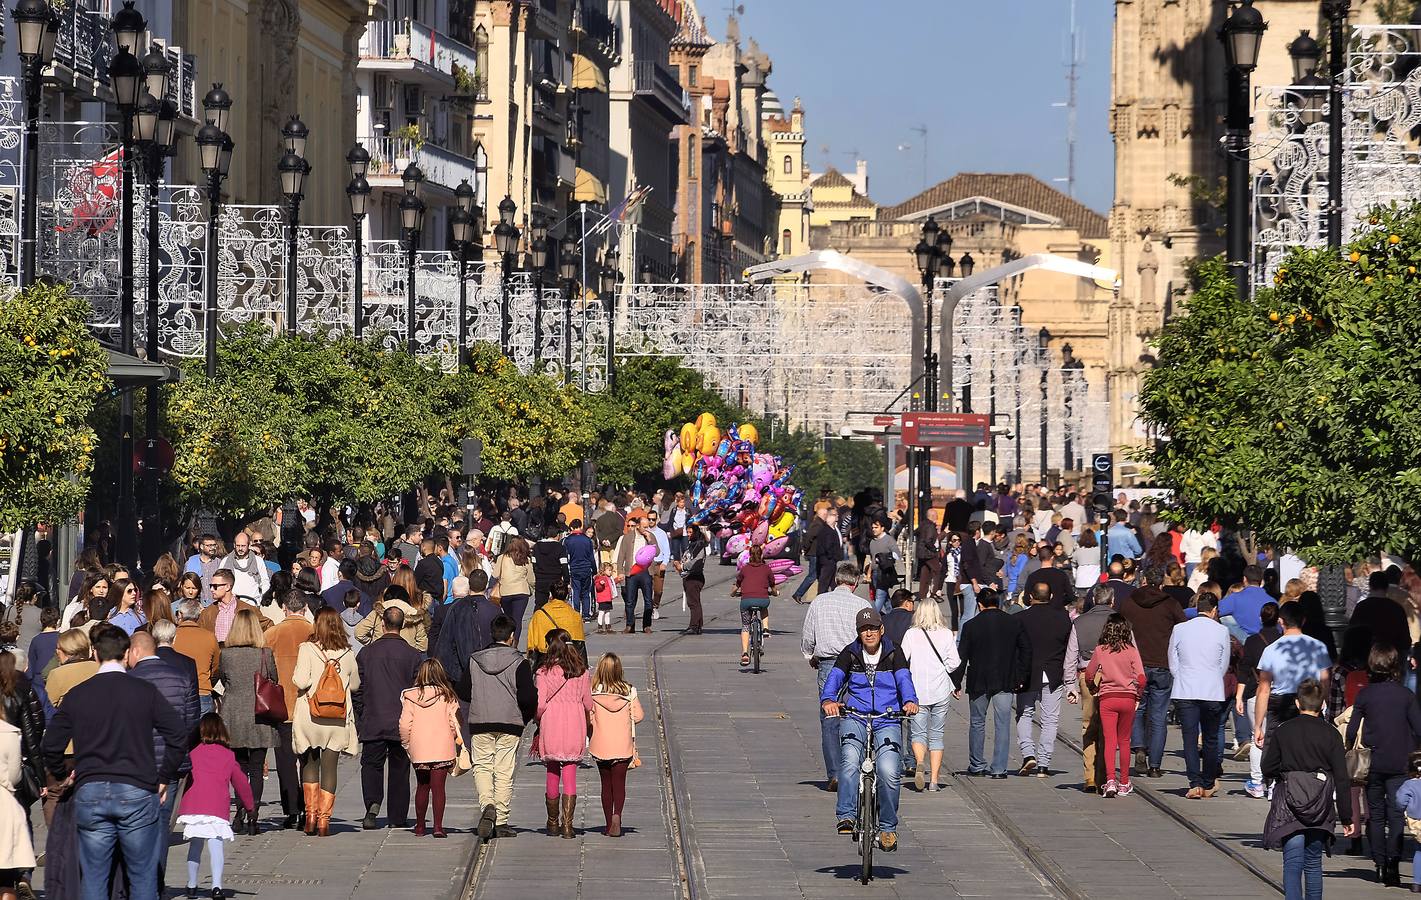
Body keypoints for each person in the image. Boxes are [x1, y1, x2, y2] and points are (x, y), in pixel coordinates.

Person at [41, 624, 186, 900]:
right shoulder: (144, 691)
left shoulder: (79, 694)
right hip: (137, 787)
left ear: (95, 654)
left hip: (91, 787)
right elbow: (177, 735)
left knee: (95, 876)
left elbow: (51, 744)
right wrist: (164, 776)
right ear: (127, 653)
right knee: (142, 875)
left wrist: (63, 774)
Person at [821, 607, 918, 852]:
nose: (869, 633)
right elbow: (834, 678)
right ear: (858, 632)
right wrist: (828, 700)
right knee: (850, 761)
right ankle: (846, 815)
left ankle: (887, 828)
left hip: (887, 718)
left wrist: (909, 701)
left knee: (888, 771)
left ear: (881, 629)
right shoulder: (850, 653)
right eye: (864, 629)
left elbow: (904, 680)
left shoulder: (895, 652)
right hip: (855, 716)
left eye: (873, 628)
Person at [1261, 678, 1356, 900]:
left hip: (1289, 803)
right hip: (1320, 805)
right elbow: (1342, 778)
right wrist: (1347, 817)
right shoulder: (1331, 733)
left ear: (1297, 703)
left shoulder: (1284, 731)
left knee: (1292, 863)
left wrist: (1284, 775)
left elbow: (1268, 766)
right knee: (1313, 862)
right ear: (1322, 704)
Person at [126, 629, 200, 885]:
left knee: (133, 825)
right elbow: (191, 722)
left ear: (135, 651)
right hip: (170, 763)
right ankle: (155, 883)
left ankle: (135, 882)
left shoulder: (129, 679)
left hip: (136, 763)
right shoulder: (181, 677)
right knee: (160, 827)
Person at [1345, 643, 1421, 886]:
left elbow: (1352, 729)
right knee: (1396, 814)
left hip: (1373, 762)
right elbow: (1419, 729)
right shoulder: (1406, 696)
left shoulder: (1366, 694)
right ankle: (1393, 864)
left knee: (1375, 814)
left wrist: (1350, 747)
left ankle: (1378, 863)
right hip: (1400, 762)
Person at [800, 561, 872, 792]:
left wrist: (810, 655)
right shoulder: (862, 604)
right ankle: (855, 768)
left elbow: (808, 636)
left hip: (829, 664)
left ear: (837, 580)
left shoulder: (819, 601)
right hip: (856, 665)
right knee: (858, 715)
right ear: (856, 582)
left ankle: (834, 774)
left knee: (829, 718)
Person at [465, 614, 536, 840]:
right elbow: (527, 697)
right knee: (504, 770)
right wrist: (524, 717)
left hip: (480, 720)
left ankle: (487, 805)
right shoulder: (520, 663)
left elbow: (463, 690)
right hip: (509, 722)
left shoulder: (474, 660)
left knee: (483, 766)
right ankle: (502, 819)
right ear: (513, 637)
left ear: (492, 634)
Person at [292, 607, 360, 837]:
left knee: (310, 764)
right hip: (336, 718)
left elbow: (300, 681)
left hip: (311, 716)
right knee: (330, 767)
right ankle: (324, 821)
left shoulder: (307, 649)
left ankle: (309, 817)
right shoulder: (347, 653)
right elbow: (355, 685)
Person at [950, 588, 1032, 779]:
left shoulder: (971, 625)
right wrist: (1021, 677)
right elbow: (1026, 651)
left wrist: (956, 682)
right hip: (1005, 679)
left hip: (978, 680)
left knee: (977, 722)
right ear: (999, 602)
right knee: (1003, 723)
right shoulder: (1013, 622)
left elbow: (962, 656)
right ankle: (999, 768)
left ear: (979, 604)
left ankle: (977, 765)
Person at [355, 606, 422, 831]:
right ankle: (397, 814)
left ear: (382, 624)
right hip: (401, 721)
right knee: (400, 768)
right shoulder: (413, 655)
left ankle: (372, 804)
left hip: (373, 717)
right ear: (402, 626)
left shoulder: (366, 653)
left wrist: (360, 714)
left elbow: (357, 688)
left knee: (371, 765)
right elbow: (417, 691)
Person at [176, 713, 255, 899]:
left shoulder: (193, 754)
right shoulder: (228, 755)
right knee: (216, 846)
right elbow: (241, 782)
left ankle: (192, 884)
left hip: (194, 807)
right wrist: (250, 806)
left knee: (195, 845)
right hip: (216, 807)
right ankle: (216, 886)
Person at [213, 608, 276, 835]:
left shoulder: (227, 655)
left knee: (238, 768)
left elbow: (222, 680)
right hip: (259, 714)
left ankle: (239, 812)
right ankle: (254, 814)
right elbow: (273, 679)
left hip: (233, 714)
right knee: (257, 768)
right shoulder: (264, 654)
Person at [1120, 566, 1185, 778]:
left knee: (1137, 709)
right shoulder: (1170, 604)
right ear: (1161, 582)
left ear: (1144, 580)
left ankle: (1139, 747)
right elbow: (1183, 628)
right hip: (1162, 665)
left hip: (1135, 665)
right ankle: (1155, 765)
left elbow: (1119, 627)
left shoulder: (1129, 602)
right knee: (1159, 716)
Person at [1168, 593, 1231, 798]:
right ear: (1214, 611)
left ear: (1197, 609)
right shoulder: (1222, 631)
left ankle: (1194, 782)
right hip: (1211, 690)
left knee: (1189, 737)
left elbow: (1172, 661)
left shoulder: (1180, 629)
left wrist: (1183, 677)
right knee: (1211, 737)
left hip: (1186, 689)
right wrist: (1211, 677)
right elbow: (1224, 664)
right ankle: (1208, 781)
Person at [533, 629, 594, 839]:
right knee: (570, 773)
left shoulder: (543, 672)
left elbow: (540, 704)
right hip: (575, 724)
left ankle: (552, 822)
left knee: (552, 771)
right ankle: (568, 826)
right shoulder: (582, 672)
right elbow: (588, 703)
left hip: (552, 723)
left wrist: (537, 718)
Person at [1255, 602, 1334, 758]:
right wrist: (1323, 702)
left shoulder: (1271, 650)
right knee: (1310, 750)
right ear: (1303, 620)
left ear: (1280, 621)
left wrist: (1258, 725)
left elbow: (1264, 689)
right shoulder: (1318, 647)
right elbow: (1325, 680)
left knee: (1276, 752)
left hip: (1280, 704)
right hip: (1310, 700)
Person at [399, 659, 463, 838]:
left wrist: (406, 744)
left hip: (419, 748)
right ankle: (438, 826)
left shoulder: (410, 696)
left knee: (422, 786)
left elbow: (404, 724)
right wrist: (453, 737)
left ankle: (420, 826)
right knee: (439, 788)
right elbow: (454, 722)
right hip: (442, 746)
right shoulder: (448, 695)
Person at [900, 597, 959, 791]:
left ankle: (919, 761)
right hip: (940, 690)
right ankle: (933, 780)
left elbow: (902, 660)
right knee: (937, 735)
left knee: (917, 733)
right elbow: (954, 662)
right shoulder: (946, 634)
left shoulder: (911, 634)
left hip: (917, 692)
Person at [1084, 614, 1146, 798]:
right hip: (1127, 697)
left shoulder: (1101, 650)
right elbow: (1141, 678)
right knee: (1124, 741)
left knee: (1109, 741)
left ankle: (1110, 780)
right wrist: (1137, 696)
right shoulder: (1132, 650)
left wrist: (1094, 687)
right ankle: (1124, 782)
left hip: (1107, 699)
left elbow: (1089, 674)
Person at [1065, 584, 1119, 792]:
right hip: (1113, 676)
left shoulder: (1079, 622)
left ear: (1094, 600)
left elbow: (1071, 655)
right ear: (1112, 601)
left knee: (1089, 725)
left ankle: (1089, 777)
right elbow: (1131, 651)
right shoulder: (1120, 621)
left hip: (1087, 676)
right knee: (1109, 726)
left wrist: (1070, 685)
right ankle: (1105, 774)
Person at [1016, 582, 1072, 777]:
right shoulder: (1063, 619)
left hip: (1027, 673)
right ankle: (1043, 764)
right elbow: (1069, 648)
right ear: (1050, 597)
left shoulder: (1020, 618)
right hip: (1053, 673)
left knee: (1024, 714)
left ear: (1031, 596)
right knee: (1050, 720)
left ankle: (1027, 755)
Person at [588, 653, 644, 837]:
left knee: (606, 785)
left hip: (600, 745)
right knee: (619, 784)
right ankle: (617, 816)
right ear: (619, 670)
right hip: (622, 746)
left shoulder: (592, 691)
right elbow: (639, 716)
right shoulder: (629, 691)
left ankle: (607, 824)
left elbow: (588, 717)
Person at [172, 599, 221, 715]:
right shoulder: (209, 637)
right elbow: (216, 668)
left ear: (180, 614)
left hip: (177, 692)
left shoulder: (172, 636)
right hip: (202, 690)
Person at [525, 579, 586, 668]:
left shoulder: (539, 615)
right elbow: (580, 646)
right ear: (567, 595)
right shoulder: (575, 616)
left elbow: (532, 645)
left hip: (545, 663)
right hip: (569, 664)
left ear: (551, 594)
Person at [734, 546, 777, 667]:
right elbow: (773, 586)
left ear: (749, 555)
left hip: (746, 601)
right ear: (762, 555)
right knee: (764, 607)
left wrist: (733, 593)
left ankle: (744, 654)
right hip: (763, 600)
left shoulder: (744, 569)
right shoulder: (767, 568)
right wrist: (775, 592)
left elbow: (737, 584)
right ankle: (766, 629)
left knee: (745, 626)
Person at [492, 537, 535, 643]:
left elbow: (495, 574)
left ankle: (507, 640)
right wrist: (532, 588)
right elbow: (531, 578)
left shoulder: (502, 557)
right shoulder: (525, 559)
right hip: (521, 591)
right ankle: (515, 643)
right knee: (517, 619)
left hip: (506, 591)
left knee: (508, 618)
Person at [1393, 752, 1421, 893]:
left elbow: (1400, 801)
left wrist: (1404, 808)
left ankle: (1417, 882)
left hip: (1417, 821)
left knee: (1419, 850)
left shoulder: (1408, 784)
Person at [219, 532, 270, 604]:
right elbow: (219, 581)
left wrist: (260, 598)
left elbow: (265, 581)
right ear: (234, 545)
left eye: (243, 546)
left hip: (252, 603)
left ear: (249, 545)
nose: (240, 548)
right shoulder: (225, 561)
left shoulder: (258, 561)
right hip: (231, 603)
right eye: (238, 545)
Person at [864, 518, 901, 612]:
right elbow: (872, 560)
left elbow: (897, 555)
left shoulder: (889, 540)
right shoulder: (872, 542)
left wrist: (884, 557)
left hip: (885, 572)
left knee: (880, 596)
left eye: (876, 527)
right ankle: (891, 614)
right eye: (872, 527)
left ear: (882, 528)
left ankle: (872, 616)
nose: (873, 529)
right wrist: (869, 573)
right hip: (875, 573)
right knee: (885, 597)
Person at [564, 520, 597, 621]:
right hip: (587, 568)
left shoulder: (567, 540)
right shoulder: (587, 540)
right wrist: (594, 570)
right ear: (580, 527)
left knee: (576, 591)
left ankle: (576, 613)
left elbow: (566, 556)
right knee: (586, 592)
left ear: (572, 528)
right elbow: (591, 557)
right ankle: (586, 614)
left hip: (574, 568)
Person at [678, 526, 709, 635]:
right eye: (687, 532)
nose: (688, 534)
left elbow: (695, 562)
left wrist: (681, 566)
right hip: (689, 577)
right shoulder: (691, 545)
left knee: (693, 603)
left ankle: (694, 626)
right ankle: (698, 625)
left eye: (690, 532)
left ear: (696, 533)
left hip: (694, 577)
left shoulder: (699, 545)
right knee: (695, 601)